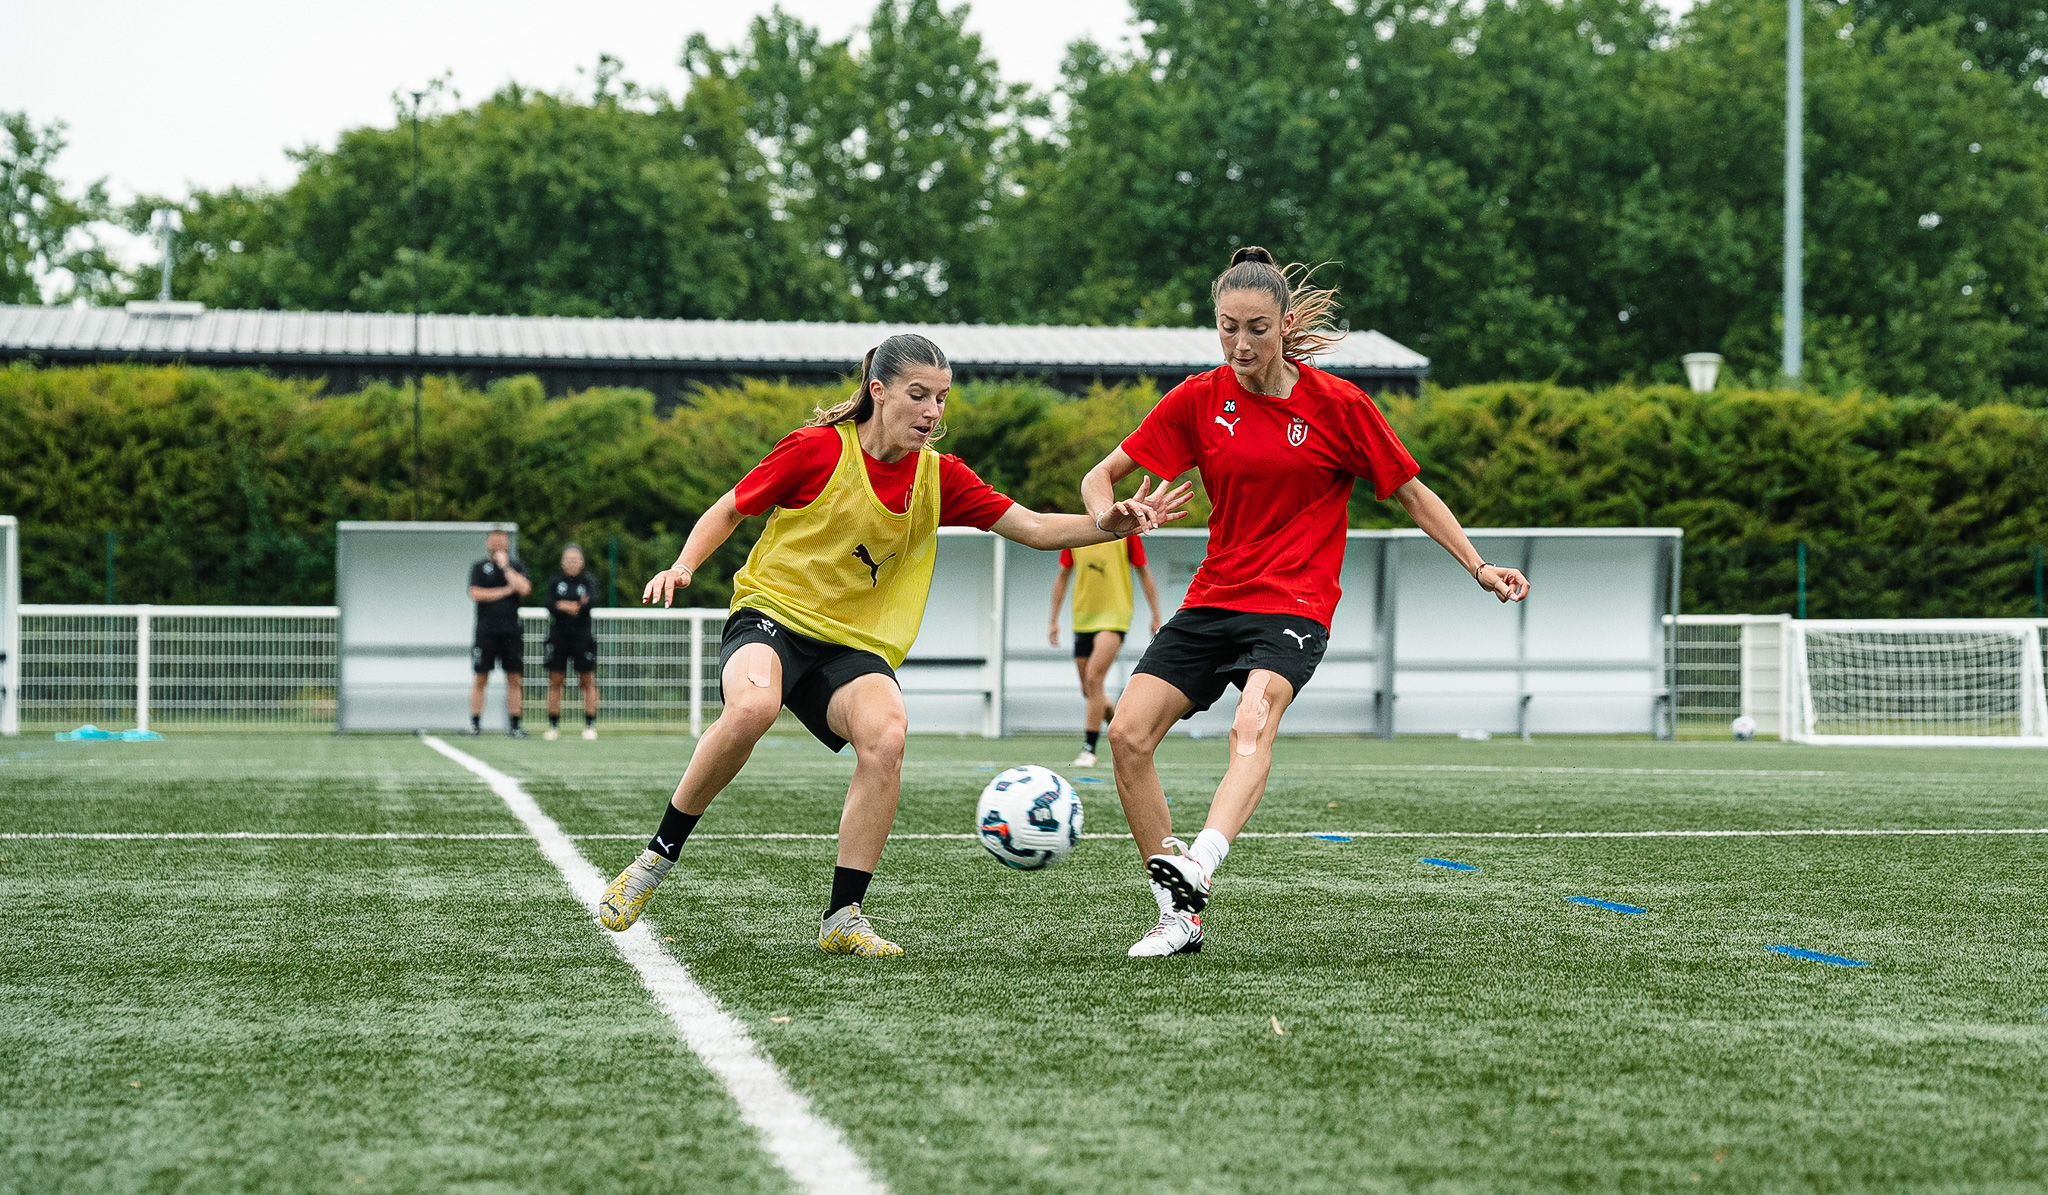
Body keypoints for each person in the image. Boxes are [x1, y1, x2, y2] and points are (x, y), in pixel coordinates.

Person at [597, 334, 1192, 957]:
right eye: (918, 396)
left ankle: (843, 918)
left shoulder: (943, 477)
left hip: (851, 647)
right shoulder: (815, 450)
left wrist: (1109, 525)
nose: (933, 411)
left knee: (887, 737)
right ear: (878, 392)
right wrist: (684, 565)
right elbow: (730, 508)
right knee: (750, 708)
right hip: (771, 615)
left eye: (942, 398)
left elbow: (1038, 529)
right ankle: (652, 863)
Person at [1081, 247, 1531, 958]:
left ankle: (1199, 859)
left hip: (1294, 602)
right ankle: (1177, 913)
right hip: (1213, 598)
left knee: (1251, 724)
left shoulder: (1339, 406)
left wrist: (1477, 566)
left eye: (1256, 328)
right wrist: (1110, 516)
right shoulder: (1198, 399)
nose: (1240, 344)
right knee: (1126, 733)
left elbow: (1413, 492)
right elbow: (1101, 475)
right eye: (1227, 327)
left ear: (1286, 323)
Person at [1048, 535, 1162, 768]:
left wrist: (1156, 615)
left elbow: (1144, 572)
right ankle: (1120, 725)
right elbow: (1062, 576)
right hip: (1083, 619)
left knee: (1094, 678)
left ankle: (1089, 749)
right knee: (1089, 690)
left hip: (1115, 617)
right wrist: (1053, 620)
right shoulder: (1075, 534)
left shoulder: (1126, 535)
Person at [467, 527, 533, 738]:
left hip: (511, 631)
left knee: (514, 678)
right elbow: (476, 593)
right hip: (486, 631)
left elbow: (524, 589)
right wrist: (505, 591)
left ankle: (514, 725)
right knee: (480, 678)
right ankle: (475, 725)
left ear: (507, 543)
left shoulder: (516, 566)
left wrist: (506, 569)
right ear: (488, 543)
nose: (498, 545)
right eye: (494, 541)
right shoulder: (479, 567)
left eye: (501, 541)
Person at [542, 543, 600, 741]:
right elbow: (551, 605)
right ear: (562, 561)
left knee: (587, 680)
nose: (572, 563)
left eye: (576, 559)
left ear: (582, 561)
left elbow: (586, 605)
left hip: (582, 637)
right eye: (568, 559)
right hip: (558, 636)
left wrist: (563, 605)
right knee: (556, 680)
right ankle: (553, 724)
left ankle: (590, 724)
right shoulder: (555, 581)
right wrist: (571, 605)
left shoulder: (589, 581)